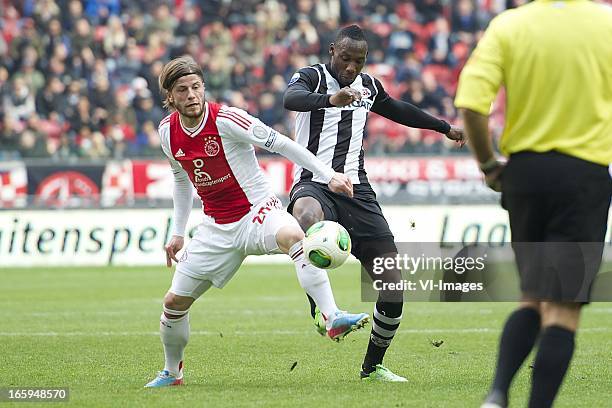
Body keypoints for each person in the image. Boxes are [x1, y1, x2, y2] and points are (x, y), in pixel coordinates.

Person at [145, 56, 370, 388]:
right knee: (173, 303)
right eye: (182, 90)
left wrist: (328, 175)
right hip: (215, 228)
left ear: (203, 87)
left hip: (257, 212)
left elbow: (281, 144)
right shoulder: (167, 133)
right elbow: (181, 181)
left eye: (196, 87)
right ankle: (172, 373)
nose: (191, 95)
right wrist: (177, 233)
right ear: (170, 96)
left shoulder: (227, 119)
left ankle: (331, 315)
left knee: (295, 235)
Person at [283, 24, 465, 382]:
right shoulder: (312, 77)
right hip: (314, 182)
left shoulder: (368, 86)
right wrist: (329, 100)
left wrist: (443, 127)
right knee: (306, 215)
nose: (352, 68)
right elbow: (291, 100)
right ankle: (323, 311)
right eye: (346, 59)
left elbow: (397, 109)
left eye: (359, 61)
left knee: (393, 286)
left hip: (357, 191)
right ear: (332, 50)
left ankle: (372, 367)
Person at [454, 1, 612, 407]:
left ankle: (497, 394)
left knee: (532, 296)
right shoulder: (606, 24)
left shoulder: (509, 25)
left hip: (525, 176)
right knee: (563, 308)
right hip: (584, 177)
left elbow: (471, 105)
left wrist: (488, 164)